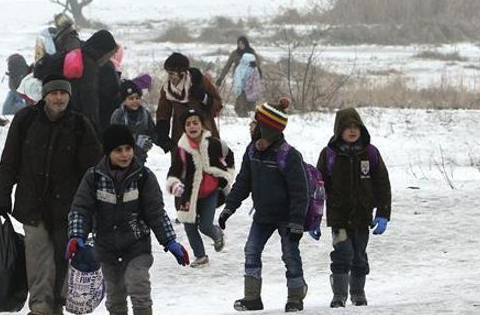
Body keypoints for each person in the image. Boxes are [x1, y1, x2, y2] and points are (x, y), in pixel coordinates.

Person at [0, 75, 102, 315]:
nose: (59, 98)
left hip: (68, 207)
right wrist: (1, 196)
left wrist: (95, 206)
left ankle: (56, 306)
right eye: (54, 93)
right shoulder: (26, 120)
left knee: (63, 256)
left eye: (63, 93)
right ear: (45, 95)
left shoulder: (80, 124)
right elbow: (9, 161)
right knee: (38, 255)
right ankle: (40, 307)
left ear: (69, 96)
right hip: (32, 203)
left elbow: (93, 171)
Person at [67, 125, 190, 315]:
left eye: (128, 149)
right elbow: (80, 209)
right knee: (115, 298)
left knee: (138, 286)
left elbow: (156, 212)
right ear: (108, 152)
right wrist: (76, 235)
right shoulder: (94, 178)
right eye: (118, 150)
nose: (125, 155)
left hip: (136, 245)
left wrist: (170, 241)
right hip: (106, 248)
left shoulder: (144, 176)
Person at [218, 99, 309, 312]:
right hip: (263, 215)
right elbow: (243, 183)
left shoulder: (288, 155)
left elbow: (299, 192)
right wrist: (229, 208)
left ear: (266, 129)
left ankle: (295, 296)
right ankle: (252, 297)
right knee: (251, 250)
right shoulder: (252, 151)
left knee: (289, 254)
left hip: (286, 216)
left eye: (255, 124)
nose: (251, 127)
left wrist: (297, 222)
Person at [316, 108, 391, 308]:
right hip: (339, 216)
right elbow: (317, 188)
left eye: (355, 126)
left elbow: (382, 183)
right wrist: (313, 217)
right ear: (338, 130)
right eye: (347, 127)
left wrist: (383, 213)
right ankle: (339, 295)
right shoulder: (329, 154)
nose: (352, 131)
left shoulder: (370, 153)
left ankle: (358, 293)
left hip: (362, 215)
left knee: (358, 255)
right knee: (342, 253)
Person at [165, 108, 235, 268]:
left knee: (205, 225)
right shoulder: (182, 150)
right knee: (189, 225)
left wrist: (226, 176)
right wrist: (174, 183)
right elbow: (174, 169)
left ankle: (217, 235)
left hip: (210, 193)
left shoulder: (214, 144)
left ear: (202, 125)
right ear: (184, 128)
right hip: (189, 194)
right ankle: (201, 256)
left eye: (195, 122)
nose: (192, 126)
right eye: (188, 124)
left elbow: (228, 156)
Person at [155, 52, 223, 150]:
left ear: (182, 73)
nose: (169, 77)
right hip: (180, 133)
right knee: (183, 163)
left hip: (205, 130)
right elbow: (163, 112)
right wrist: (162, 132)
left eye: (172, 74)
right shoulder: (167, 89)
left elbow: (218, 104)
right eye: (168, 73)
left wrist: (204, 98)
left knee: (208, 161)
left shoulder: (200, 81)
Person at [70, 29, 117, 132]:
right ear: (102, 50)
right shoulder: (89, 66)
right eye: (108, 55)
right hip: (83, 124)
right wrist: (94, 128)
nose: (106, 59)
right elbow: (89, 99)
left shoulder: (80, 56)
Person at [110, 80, 157, 164]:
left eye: (137, 98)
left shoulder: (145, 114)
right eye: (131, 98)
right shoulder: (118, 114)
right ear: (124, 101)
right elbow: (115, 136)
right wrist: (135, 140)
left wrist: (149, 141)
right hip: (122, 158)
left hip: (140, 158)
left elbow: (152, 131)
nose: (135, 101)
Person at [231, 52, 262, 117]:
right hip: (245, 90)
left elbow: (256, 80)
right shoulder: (241, 68)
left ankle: (248, 118)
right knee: (242, 106)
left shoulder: (252, 69)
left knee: (248, 106)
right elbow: (238, 80)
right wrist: (239, 89)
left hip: (249, 90)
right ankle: (243, 119)